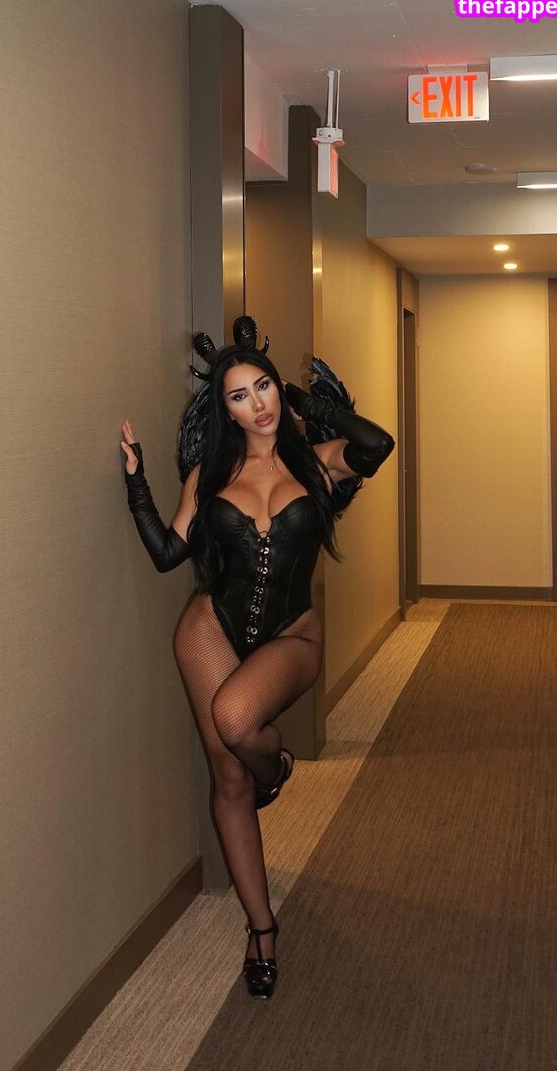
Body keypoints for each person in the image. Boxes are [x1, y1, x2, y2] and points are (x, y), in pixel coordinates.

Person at [119, 317, 394, 1000]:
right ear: (226, 411)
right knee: (229, 780)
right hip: (209, 627)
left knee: (238, 721)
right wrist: (136, 483)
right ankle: (262, 929)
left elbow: (377, 444)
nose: (257, 404)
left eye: (263, 386)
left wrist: (307, 403)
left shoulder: (317, 462)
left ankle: (276, 768)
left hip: (291, 635)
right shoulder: (209, 475)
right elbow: (169, 554)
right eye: (239, 396)